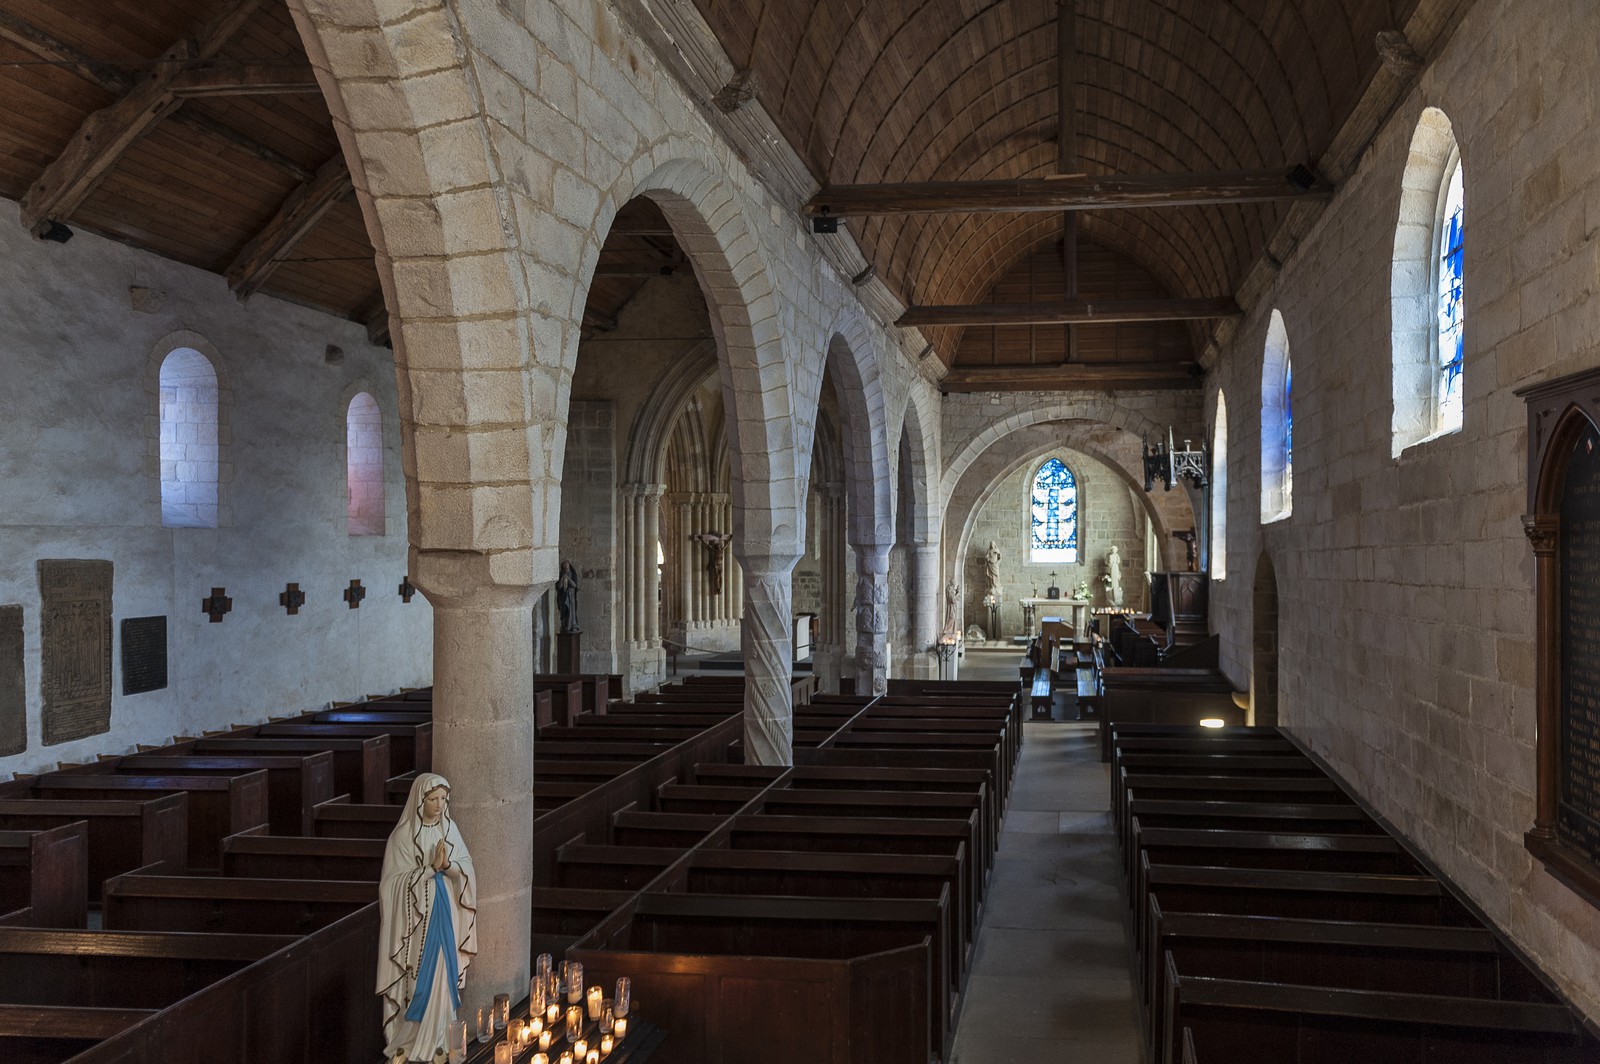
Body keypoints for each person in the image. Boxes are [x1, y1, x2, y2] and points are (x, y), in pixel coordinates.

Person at [379, 773, 477, 1063]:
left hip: (444, 914)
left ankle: (439, 1040)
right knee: (419, 977)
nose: (439, 804)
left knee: (443, 973)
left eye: (443, 799)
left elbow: (466, 868)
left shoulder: (450, 829)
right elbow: (390, 886)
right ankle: (408, 1040)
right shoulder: (402, 838)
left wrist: (449, 866)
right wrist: (429, 870)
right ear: (419, 801)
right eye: (433, 799)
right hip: (416, 927)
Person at [556, 560, 579, 632]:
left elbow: (574, 585)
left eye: (566, 563)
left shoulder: (572, 574)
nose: (565, 565)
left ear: (569, 564)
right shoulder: (560, 575)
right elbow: (558, 587)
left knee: (570, 611)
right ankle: (564, 626)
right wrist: (562, 579)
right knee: (564, 611)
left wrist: (568, 578)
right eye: (563, 564)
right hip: (563, 595)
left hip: (570, 595)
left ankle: (570, 625)